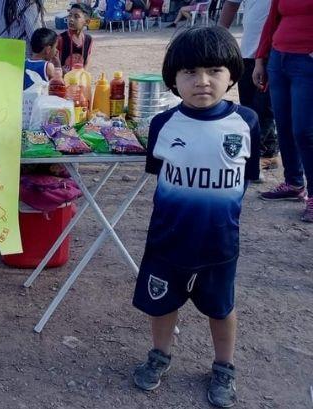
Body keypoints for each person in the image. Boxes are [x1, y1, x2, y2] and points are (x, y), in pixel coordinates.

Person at [131, 26, 259, 408]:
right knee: (162, 304)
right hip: (168, 241)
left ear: (232, 75)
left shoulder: (246, 122)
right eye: (189, 72)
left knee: (221, 307)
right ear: (173, 79)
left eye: (214, 70)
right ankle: (160, 355)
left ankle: (224, 366)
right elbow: (160, 174)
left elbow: (244, 179)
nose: (202, 81)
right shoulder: (162, 125)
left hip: (220, 243)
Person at [253, 0, 313, 222]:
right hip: (278, 60)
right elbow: (271, 22)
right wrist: (261, 59)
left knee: (305, 131)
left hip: (307, 64)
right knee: (284, 125)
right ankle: (294, 182)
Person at [218, 0, 279, 180]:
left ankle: (252, 157)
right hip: (248, 51)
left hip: (272, 51)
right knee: (248, 105)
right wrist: (220, 32)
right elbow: (231, 3)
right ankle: (269, 153)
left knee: (264, 108)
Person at [56, 2, 93, 72]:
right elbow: (51, 63)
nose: (71, 19)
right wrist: (60, 70)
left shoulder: (89, 40)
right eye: (70, 15)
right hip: (63, 81)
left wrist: (83, 76)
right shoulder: (60, 39)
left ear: (87, 22)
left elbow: (86, 63)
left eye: (76, 16)